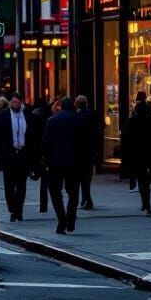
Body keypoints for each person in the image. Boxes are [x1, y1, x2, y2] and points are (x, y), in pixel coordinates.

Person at [42, 96, 87, 235]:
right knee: (73, 192)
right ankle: (71, 218)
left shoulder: (52, 121)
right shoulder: (79, 120)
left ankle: (61, 219)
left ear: (61, 107)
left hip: (55, 162)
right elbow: (83, 143)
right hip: (74, 162)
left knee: (55, 193)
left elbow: (46, 142)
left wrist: (46, 160)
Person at [0, 95, 30, 221]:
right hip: (8, 155)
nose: (15, 104)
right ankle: (12, 207)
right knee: (9, 184)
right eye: (13, 102)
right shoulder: (3, 116)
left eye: (17, 102)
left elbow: (33, 135)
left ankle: (19, 211)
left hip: (23, 154)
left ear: (21, 103)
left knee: (21, 185)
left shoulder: (27, 115)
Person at [122, 95, 151, 215]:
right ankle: (147, 204)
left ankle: (145, 203)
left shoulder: (132, 121)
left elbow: (126, 137)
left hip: (137, 155)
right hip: (149, 154)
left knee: (141, 179)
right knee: (146, 180)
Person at [74, 95, 103, 210]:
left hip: (80, 151)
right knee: (87, 176)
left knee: (81, 177)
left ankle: (86, 199)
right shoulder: (93, 114)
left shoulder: (77, 116)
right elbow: (100, 129)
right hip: (90, 150)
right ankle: (86, 199)